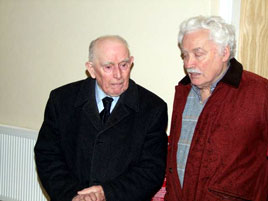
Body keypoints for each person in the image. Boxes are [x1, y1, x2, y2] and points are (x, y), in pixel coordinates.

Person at [34, 35, 168, 201]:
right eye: (108, 67)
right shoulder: (61, 100)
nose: (118, 75)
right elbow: (48, 155)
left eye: (124, 65)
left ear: (131, 62)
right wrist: (73, 196)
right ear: (91, 69)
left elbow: (151, 170)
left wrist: (107, 193)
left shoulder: (152, 108)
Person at [165, 16, 268, 201]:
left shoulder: (259, 92)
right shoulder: (183, 93)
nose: (189, 64)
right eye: (185, 55)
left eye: (198, 54)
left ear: (224, 53)